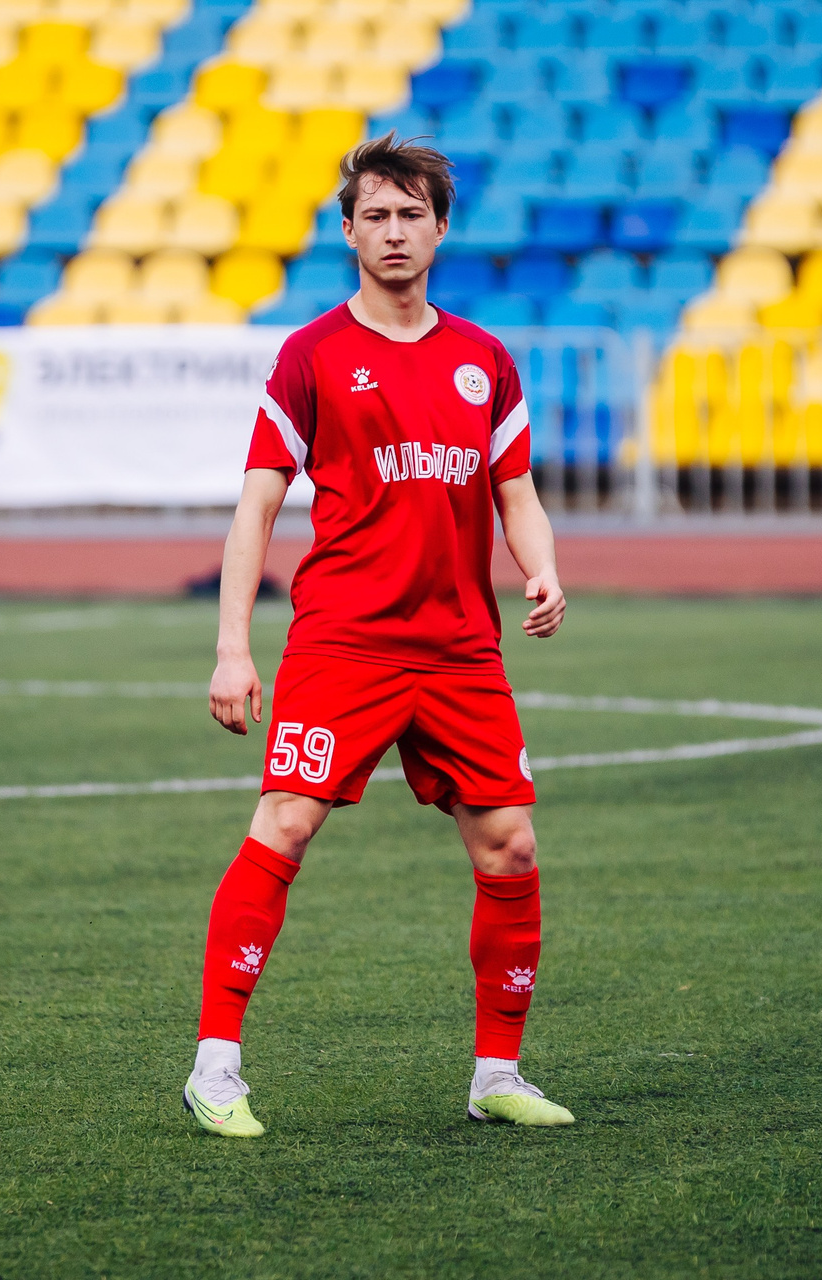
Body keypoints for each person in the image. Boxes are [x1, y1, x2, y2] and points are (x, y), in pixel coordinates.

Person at [182, 135, 571, 1139]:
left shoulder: (485, 359)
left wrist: (541, 565)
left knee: (511, 846)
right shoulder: (311, 356)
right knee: (284, 823)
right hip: (344, 641)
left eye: (411, 214)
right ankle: (215, 1066)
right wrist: (233, 647)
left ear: (440, 228)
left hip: (461, 649)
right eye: (375, 216)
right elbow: (256, 506)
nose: (394, 232)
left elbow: (517, 492)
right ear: (349, 234)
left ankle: (496, 1074)